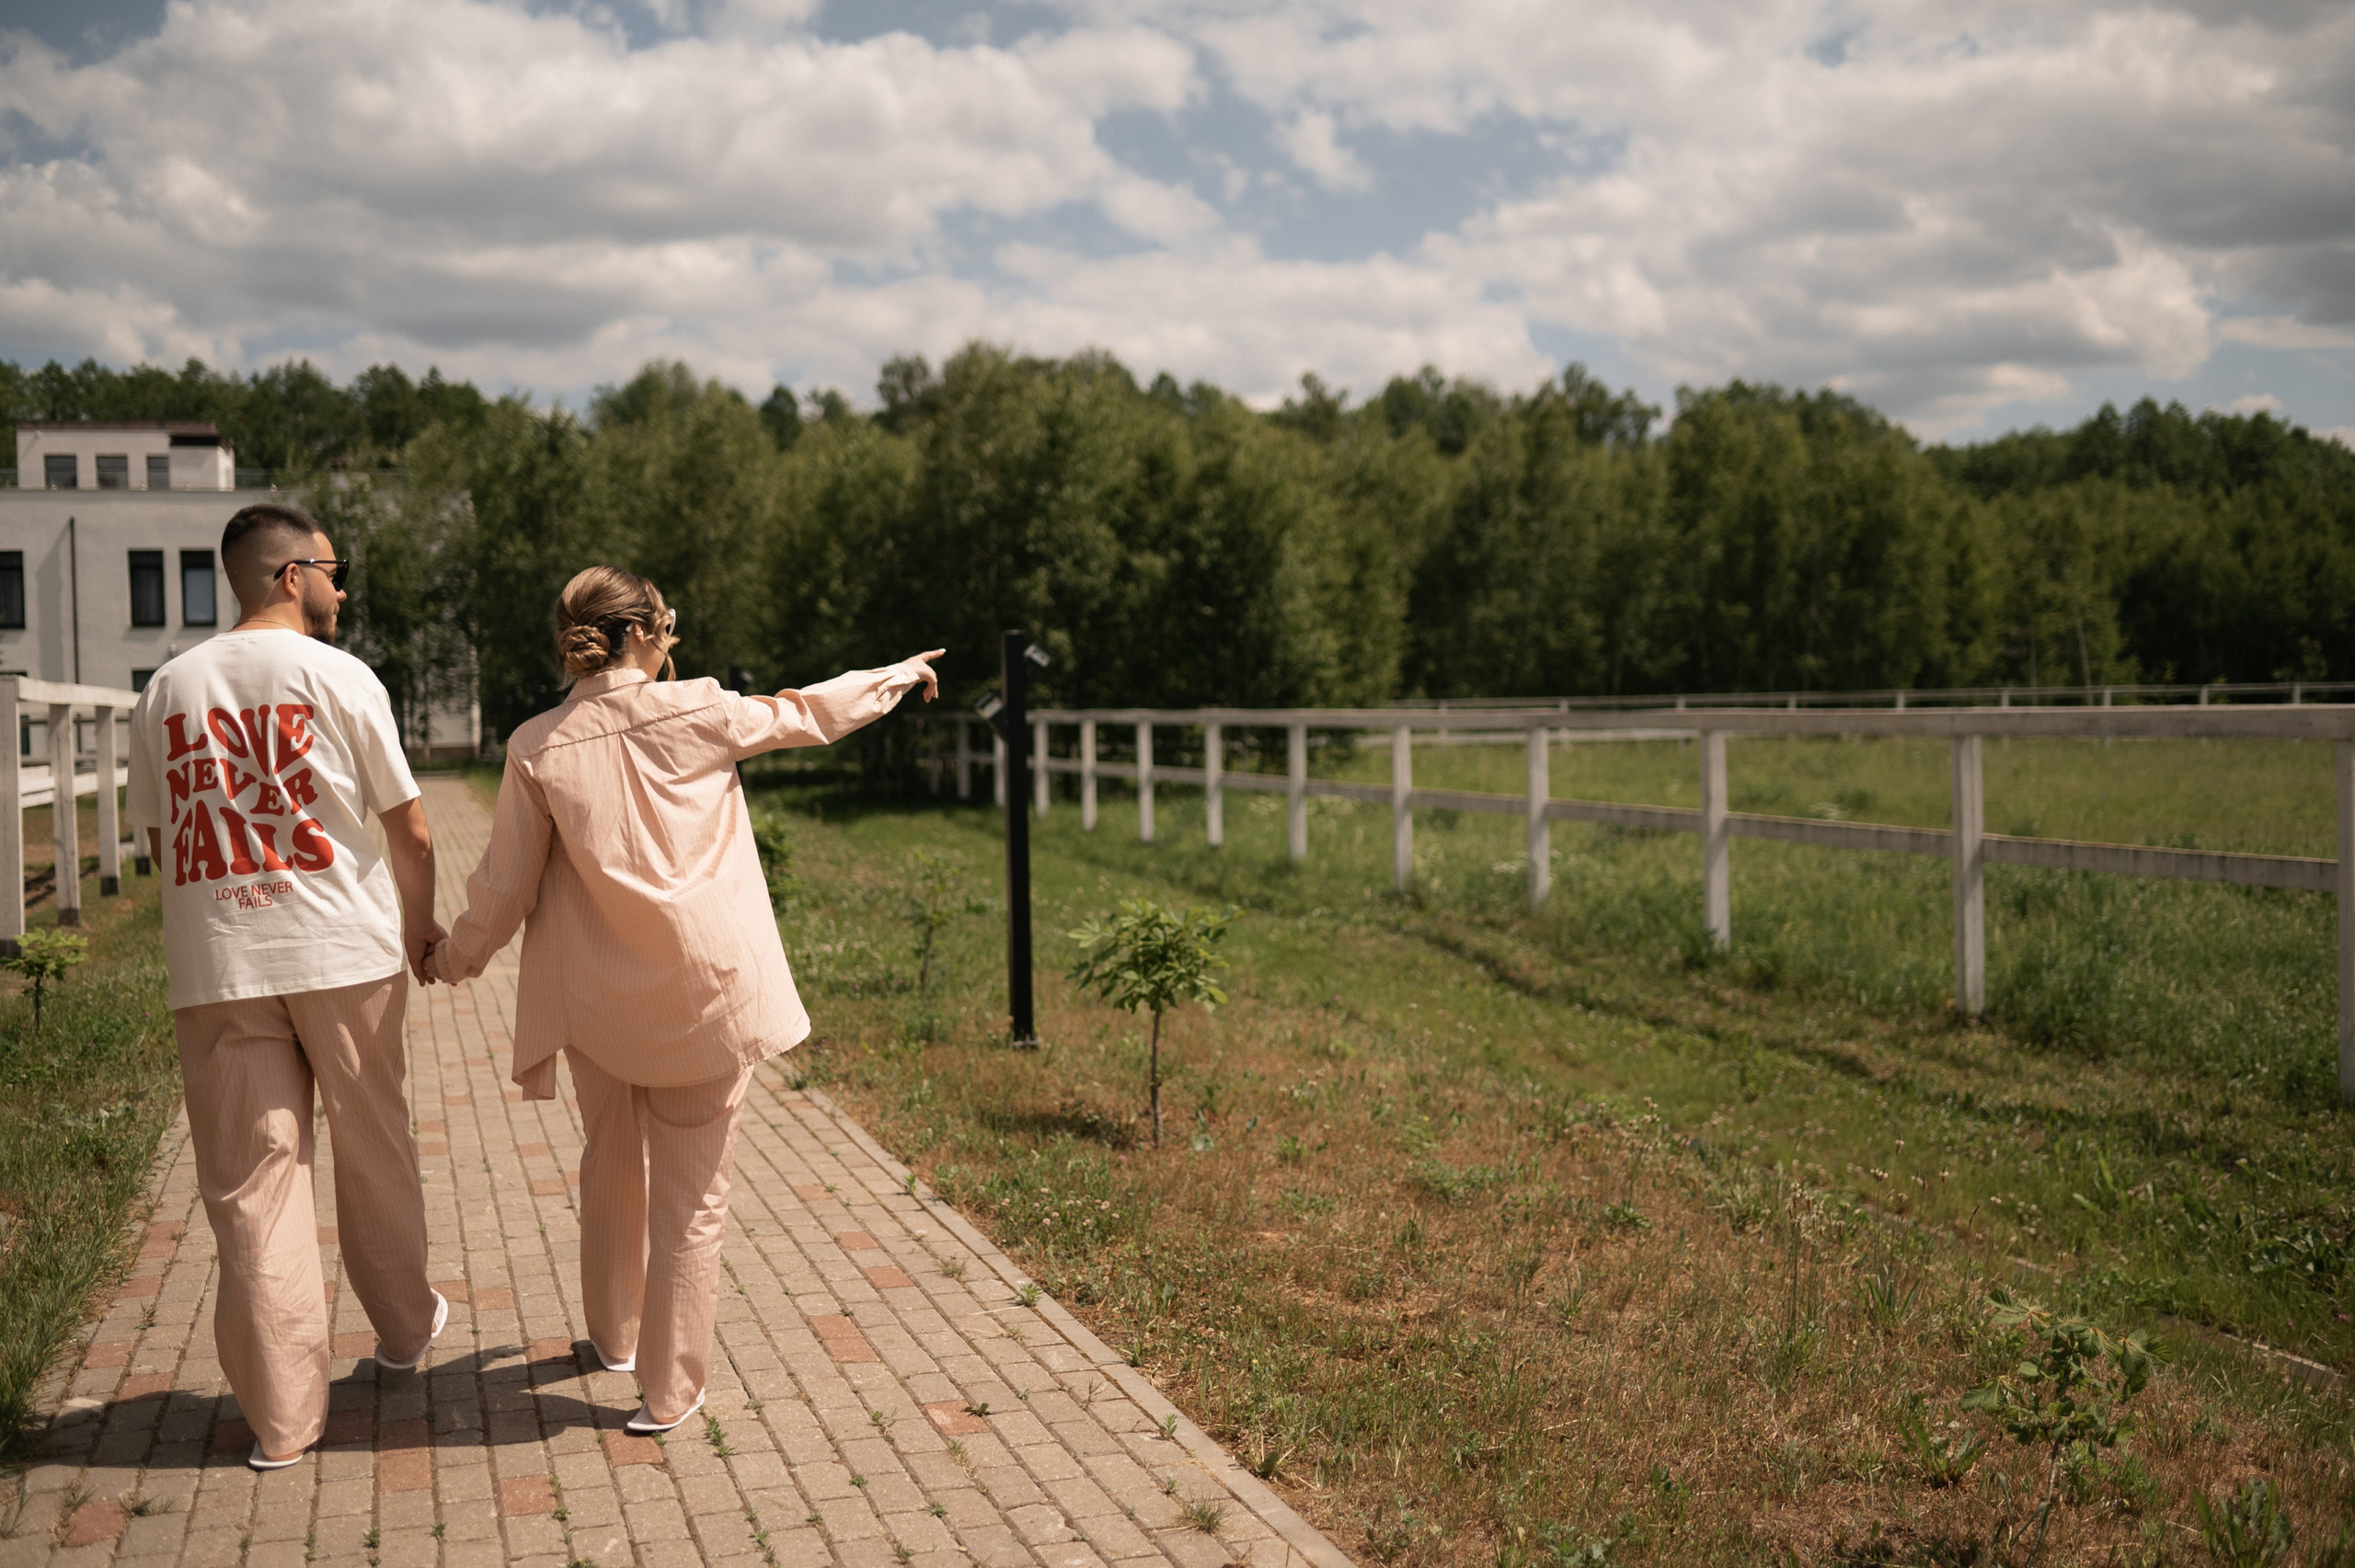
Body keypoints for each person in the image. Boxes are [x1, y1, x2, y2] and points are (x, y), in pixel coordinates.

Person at [427, 567, 939, 1433]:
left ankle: (614, 1337)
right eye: (666, 623)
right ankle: (667, 1393)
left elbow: (504, 886)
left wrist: (452, 958)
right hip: (705, 996)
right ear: (638, 632)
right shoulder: (699, 707)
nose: (672, 638)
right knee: (691, 1199)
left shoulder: (536, 745)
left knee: (608, 1161)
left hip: (597, 1003)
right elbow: (807, 713)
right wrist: (896, 674)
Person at [126, 502, 449, 1471]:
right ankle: (404, 1333)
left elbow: (161, 844)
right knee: (374, 1146)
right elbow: (411, 829)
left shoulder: (166, 689)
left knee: (253, 1183)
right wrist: (421, 926)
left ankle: (280, 1422)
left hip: (220, 962)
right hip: (343, 953)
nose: (341, 589)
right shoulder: (339, 676)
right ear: (290, 574)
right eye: (334, 571)